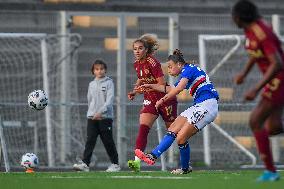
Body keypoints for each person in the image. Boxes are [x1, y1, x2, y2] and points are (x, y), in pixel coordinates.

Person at [135, 49, 219, 174]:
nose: (168, 70)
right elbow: (170, 89)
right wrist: (151, 86)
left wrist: (162, 100)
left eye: (170, 66)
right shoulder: (186, 72)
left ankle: (184, 168)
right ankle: (152, 156)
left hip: (208, 105)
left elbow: (178, 89)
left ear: (179, 64)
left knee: (181, 138)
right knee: (173, 127)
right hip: (199, 105)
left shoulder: (188, 69)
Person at [232, 0, 284, 182]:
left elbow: (277, 63)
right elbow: (257, 54)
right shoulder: (250, 30)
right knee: (274, 127)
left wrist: (255, 89)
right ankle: (271, 171)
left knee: (255, 120)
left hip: (280, 79)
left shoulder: (262, 32)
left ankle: (271, 171)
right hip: (276, 79)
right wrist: (244, 74)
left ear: (238, 17)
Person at [127, 34, 178, 172]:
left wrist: (147, 86)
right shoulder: (136, 64)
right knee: (143, 128)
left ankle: (182, 161)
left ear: (146, 50)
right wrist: (135, 91)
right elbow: (141, 78)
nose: (137, 51)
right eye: (135, 49)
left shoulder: (152, 62)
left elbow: (161, 84)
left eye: (140, 48)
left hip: (165, 99)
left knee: (174, 132)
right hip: (150, 98)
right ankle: (137, 163)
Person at [73, 59, 121, 172]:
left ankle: (115, 164)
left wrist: (101, 112)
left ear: (105, 70)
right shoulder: (91, 84)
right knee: (90, 141)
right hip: (92, 118)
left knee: (108, 142)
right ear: (93, 71)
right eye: (97, 69)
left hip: (105, 118)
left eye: (102, 69)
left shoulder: (109, 83)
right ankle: (85, 164)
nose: (99, 71)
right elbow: (90, 100)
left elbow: (109, 101)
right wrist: (92, 113)